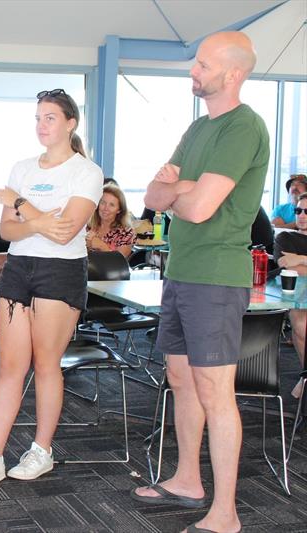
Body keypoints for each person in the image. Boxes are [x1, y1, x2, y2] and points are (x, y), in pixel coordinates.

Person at [131, 32, 268, 533]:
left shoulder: (244, 127)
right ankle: (188, 479)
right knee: (181, 380)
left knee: (216, 393)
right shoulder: (195, 130)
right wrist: (176, 188)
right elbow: (151, 195)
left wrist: (180, 188)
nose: (193, 72)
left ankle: (226, 514)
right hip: (182, 271)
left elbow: (202, 207)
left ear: (232, 74)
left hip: (216, 278)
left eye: (203, 65)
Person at [0, 88, 102, 491]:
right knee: (11, 366)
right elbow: (7, 231)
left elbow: (66, 234)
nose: (41, 125)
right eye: (37, 118)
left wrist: (22, 205)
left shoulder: (86, 172)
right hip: (19, 267)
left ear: (70, 123)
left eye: (50, 118)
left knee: (47, 364)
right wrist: (38, 220)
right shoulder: (23, 167)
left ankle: (41, 450)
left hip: (61, 271)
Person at [274, 192, 307, 399]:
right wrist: (296, 263)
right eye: (298, 210)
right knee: (303, 327)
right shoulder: (285, 237)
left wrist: (301, 258)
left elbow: (299, 266)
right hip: (297, 293)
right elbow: (286, 267)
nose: (301, 215)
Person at [86, 183, 136, 258]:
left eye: (111, 205)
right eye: (103, 203)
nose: (106, 208)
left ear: (119, 210)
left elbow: (119, 262)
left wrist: (101, 245)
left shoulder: (126, 232)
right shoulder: (87, 227)